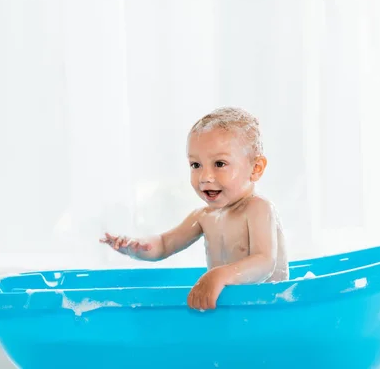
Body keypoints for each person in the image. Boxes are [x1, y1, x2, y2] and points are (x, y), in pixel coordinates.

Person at [99, 107, 289, 310]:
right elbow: (164, 244)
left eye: (219, 163)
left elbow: (264, 262)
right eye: (196, 165)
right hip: (232, 311)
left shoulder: (258, 209)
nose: (205, 177)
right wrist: (135, 247)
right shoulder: (204, 217)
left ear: (256, 168)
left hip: (271, 306)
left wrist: (220, 275)